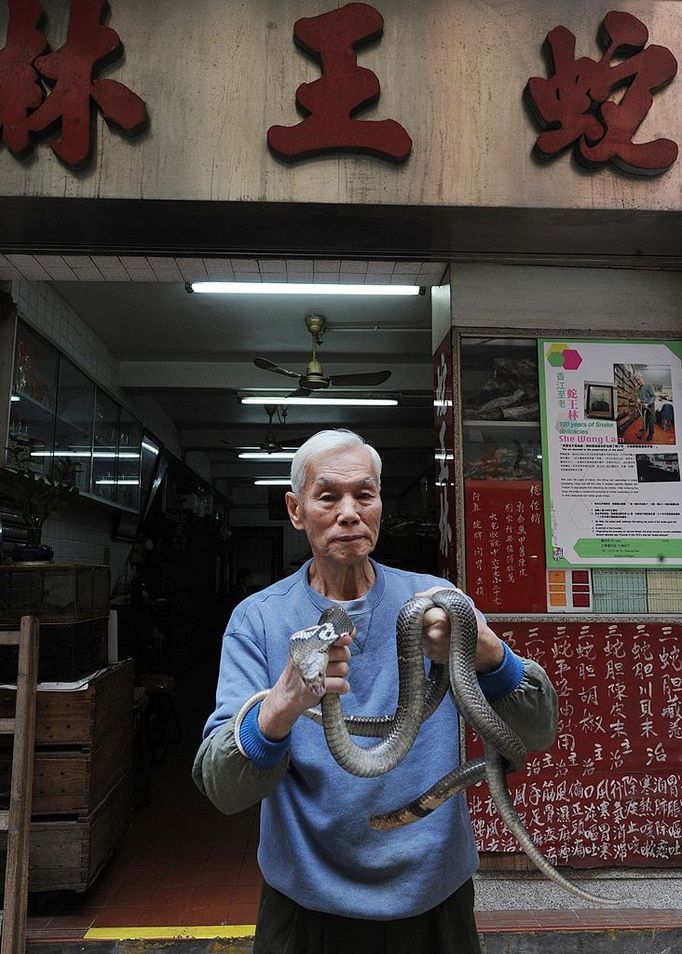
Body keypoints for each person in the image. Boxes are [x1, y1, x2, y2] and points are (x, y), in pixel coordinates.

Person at [193, 429, 557, 954]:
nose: (348, 512)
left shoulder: (437, 603)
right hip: (305, 909)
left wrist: (487, 654)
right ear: (295, 510)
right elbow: (222, 788)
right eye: (327, 496)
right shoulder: (258, 621)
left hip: (433, 900)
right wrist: (282, 703)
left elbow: (538, 731)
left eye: (364, 495)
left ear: (380, 505)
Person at [634, 372, 656, 442]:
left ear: (641, 377)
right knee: (644, 419)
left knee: (650, 421)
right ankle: (644, 429)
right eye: (636, 380)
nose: (638, 381)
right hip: (643, 406)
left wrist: (648, 403)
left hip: (650, 406)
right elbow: (639, 397)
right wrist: (638, 400)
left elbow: (653, 397)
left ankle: (651, 434)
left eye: (638, 379)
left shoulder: (649, 385)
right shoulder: (639, 389)